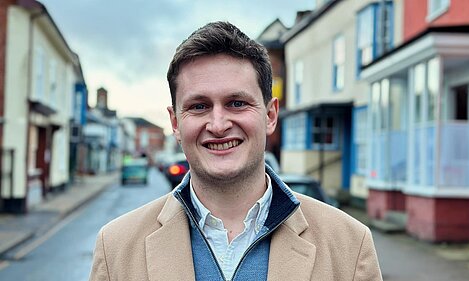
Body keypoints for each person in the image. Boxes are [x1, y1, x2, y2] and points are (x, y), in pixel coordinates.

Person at [89, 21, 383, 281]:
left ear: (270, 115)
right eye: (199, 106)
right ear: (176, 123)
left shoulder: (349, 246)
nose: (218, 125)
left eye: (237, 103)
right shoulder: (116, 247)